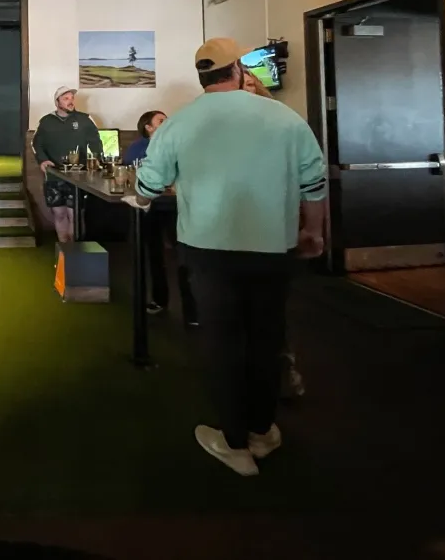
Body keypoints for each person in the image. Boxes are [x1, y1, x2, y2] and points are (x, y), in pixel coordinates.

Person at [132, 38, 326, 476]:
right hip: (273, 247)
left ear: (202, 76)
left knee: (222, 342)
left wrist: (144, 196)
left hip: (207, 250)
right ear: (238, 68)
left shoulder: (178, 124)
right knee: (266, 339)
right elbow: (313, 182)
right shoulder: (284, 117)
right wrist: (313, 230)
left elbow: (147, 186)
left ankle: (234, 444)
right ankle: (262, 431)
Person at [242, 70, 306, 399]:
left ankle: (282, 370)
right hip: (234, 226)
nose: (244, 90)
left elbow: (308, 172)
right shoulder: (220, 124)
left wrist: (311, 225)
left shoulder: (281, 122)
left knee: (271, 306)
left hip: (272, 225)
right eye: (240, 85)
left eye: (249, 84)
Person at [125, 110, 197, 323]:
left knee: (184, 257)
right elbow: (130, 171)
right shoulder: (138, 147)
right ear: (148, 127)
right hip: (151, 207)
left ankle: (192, 311)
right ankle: (159, 300)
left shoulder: (176, 143)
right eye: (161, 120)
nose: (167, 123)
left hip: (175, 206)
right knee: (154, 257)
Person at [31, 87, 103, 243]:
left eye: (71, 98)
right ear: (57, 102)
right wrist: (42, 160)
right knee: (59, 213)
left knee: (75, 214)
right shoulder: (46, 121)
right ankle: (64, 248)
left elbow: (96, 142)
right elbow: (36, 144)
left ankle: (76, 249)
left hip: (78, 177)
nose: (70, 101)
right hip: (54, 175)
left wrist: (97, 159)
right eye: (66, 98)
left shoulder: (85, 119)